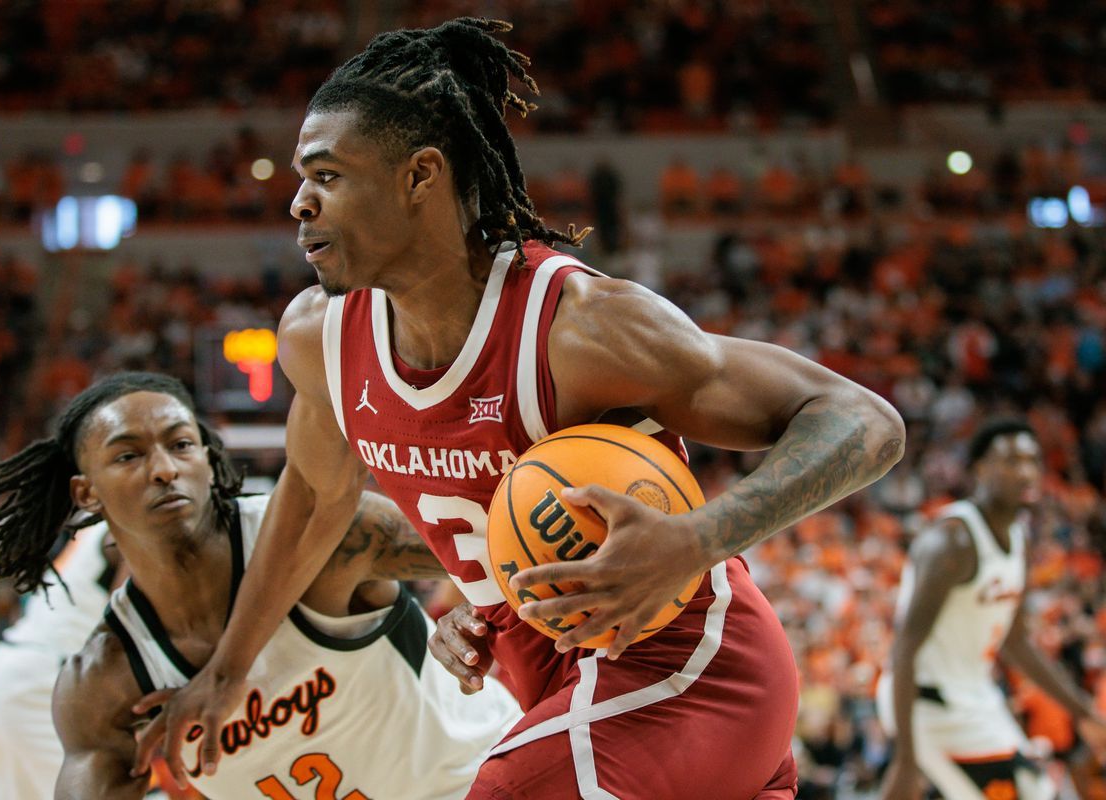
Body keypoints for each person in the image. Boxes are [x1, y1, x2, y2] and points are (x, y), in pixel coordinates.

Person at [135, 19, 906, 799]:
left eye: (326, 175)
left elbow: (863, 420)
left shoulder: (577, 327)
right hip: (571, 694)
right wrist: (230, 673)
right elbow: (311, 501)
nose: (299, 203)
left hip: (692, 670)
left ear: (419, 176)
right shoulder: (318, 340)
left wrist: (695, 538)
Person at [0, 372, 519, 799]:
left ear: (210, 459)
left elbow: (502, 548)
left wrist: (467, 614)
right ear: (86, 493)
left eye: (181, 444)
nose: (164, 468)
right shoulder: (104, 685)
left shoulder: (327, 539)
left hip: (479, 780)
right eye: (129, 455)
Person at [877, 419, 1106, 799]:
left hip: (975, 699)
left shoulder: (1019, 539)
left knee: (1039, 789)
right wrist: (905, 757)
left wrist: (1083, 711)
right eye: (1012, 461)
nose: (1027, 471)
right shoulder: (951, 541)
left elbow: (1015, 643)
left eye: (1032, 460)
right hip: (926, 702)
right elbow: (904, 648)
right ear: (981, 468)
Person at [0, 518, 122, 799]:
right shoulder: (128, 528)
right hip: (41, 682)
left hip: (12, 670)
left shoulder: (92, 526)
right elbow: (134, 632)